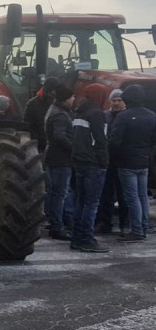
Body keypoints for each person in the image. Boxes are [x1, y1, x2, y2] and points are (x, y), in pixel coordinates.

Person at [109, 84, 156, 242]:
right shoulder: (152, 116)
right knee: (143, 196)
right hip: (144, 161)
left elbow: (115, 141)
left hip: (126, 162)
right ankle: (143, 226)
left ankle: (136, 230)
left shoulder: (123, 116)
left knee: (132, 197)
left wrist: (113, 156)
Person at [70, 83, 109, 253]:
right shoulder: (97, 114)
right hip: (93, 164)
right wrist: (104, 162)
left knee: (80, 201)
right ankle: (86, 238)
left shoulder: (77, 112)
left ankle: (77, 238)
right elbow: (101, 141)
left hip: (79, 162)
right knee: (92, 203)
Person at [44, 83, 74, 240]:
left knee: (55, 193)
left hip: (53, 156)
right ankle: (57, 226)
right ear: (66, 98)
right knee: (59, 194)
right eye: (72, 96)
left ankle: (56, 222)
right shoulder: (61, 115)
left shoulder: (53, 110)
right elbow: (59, 137)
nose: (74, 99)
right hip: (60, 159)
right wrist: (74, 149)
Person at [96, 89, 128, 235]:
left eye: (119, 100)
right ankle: (105, 223)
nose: (116, 103)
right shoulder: (105, 116)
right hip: (107, 161)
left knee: (123, 195)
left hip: (123, 161)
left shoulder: (127, 117)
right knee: (106, 193)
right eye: (113, 100)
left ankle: (124, 224)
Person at [23, 77, 61, 153]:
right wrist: (39, 141)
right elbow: (27, 126)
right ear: (48, 90)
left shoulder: (59, 103)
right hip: (39, 146)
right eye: (55, 90)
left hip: (55, 146)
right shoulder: (33, 104)